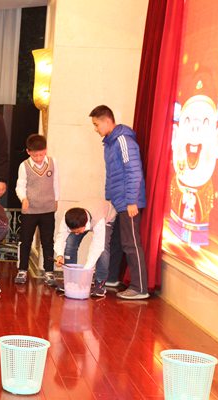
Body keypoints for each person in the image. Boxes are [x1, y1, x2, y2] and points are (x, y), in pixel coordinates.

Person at [89, 105, 149, 300]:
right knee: (114, 241)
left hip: (128, 202)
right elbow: (112, 175)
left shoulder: (123, 140)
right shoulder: (110, 143)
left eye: (96, 124)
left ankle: (140, 288)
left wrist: (131, 201)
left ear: (107, 121)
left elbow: (134, 171)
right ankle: (112, 278)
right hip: (117, 202)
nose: (95, 129)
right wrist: (109, 199)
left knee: (131, 243)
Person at [15, 134, 59, 285]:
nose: (39, 158)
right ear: (28, 152)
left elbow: (56, 182)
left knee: (48, 241)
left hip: (47, 209)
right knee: (25, 241)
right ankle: (22, 270)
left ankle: (49, 272)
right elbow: (20, 185)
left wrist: (56, 199)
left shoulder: (53, 162)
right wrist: (23, 198)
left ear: (45, 150)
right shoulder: (24, 166)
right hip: (30, 210)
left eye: (41, 154)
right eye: (35, 155)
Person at [53, 200, 116, 297]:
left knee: (103, 249)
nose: (76, 234)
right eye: (74, 231)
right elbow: (61, 236)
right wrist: (59, 255)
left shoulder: (99, 220)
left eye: (78, 231)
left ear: (85, 224)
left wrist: (85, 272)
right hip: (89, 213)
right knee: (70, 242)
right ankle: (71, 280)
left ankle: (100, 283)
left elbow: (97, 247)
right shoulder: (68, 217)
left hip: (107, 216)